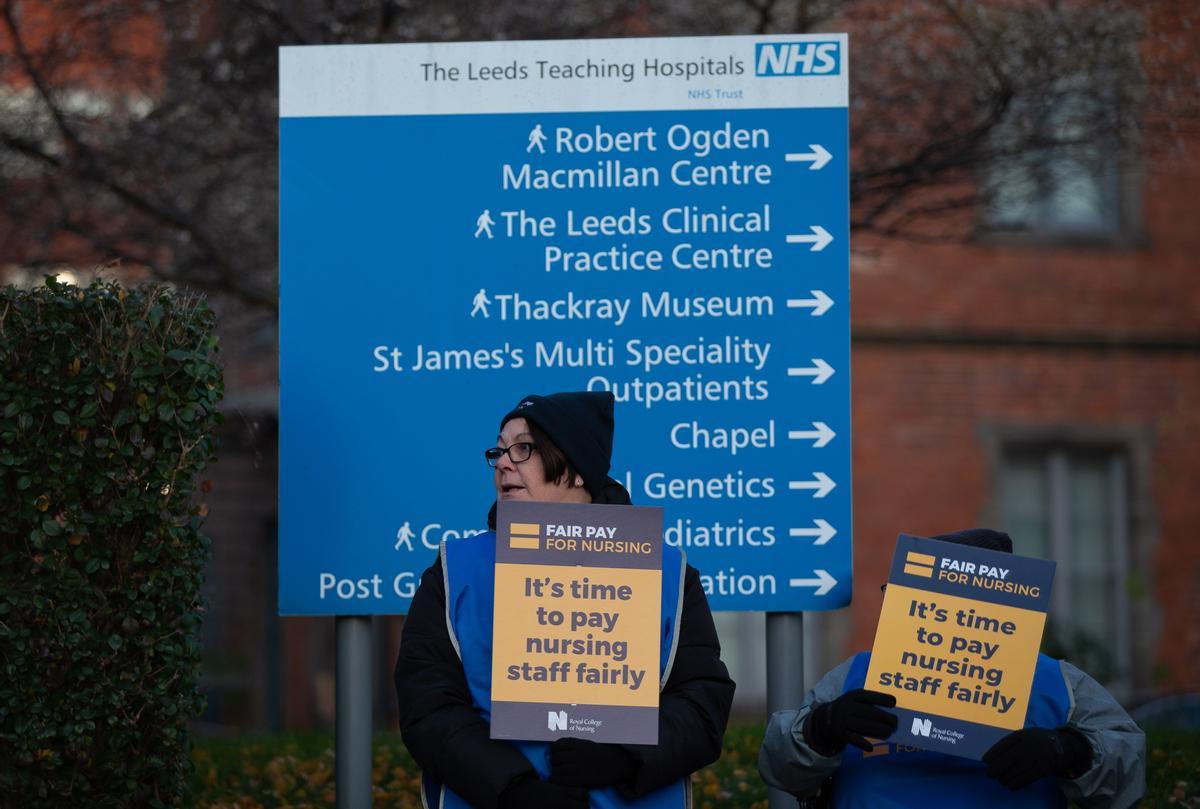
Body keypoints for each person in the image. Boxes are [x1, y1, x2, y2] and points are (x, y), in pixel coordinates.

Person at [396, 391, 735, 809]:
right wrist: (512, 787)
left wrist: (624, 757)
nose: (503, 462)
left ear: (576, 469)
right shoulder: (454, 570)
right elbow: (427, 706)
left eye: (523, 449)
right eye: (499, 451)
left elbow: (703, 704)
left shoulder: (668, 572)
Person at [758, 528, 1146, 809]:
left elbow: (1130, 771)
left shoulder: (1058, 683)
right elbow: (780, 767)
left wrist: (1069, 749)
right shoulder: (857, 675)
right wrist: (821, 728)